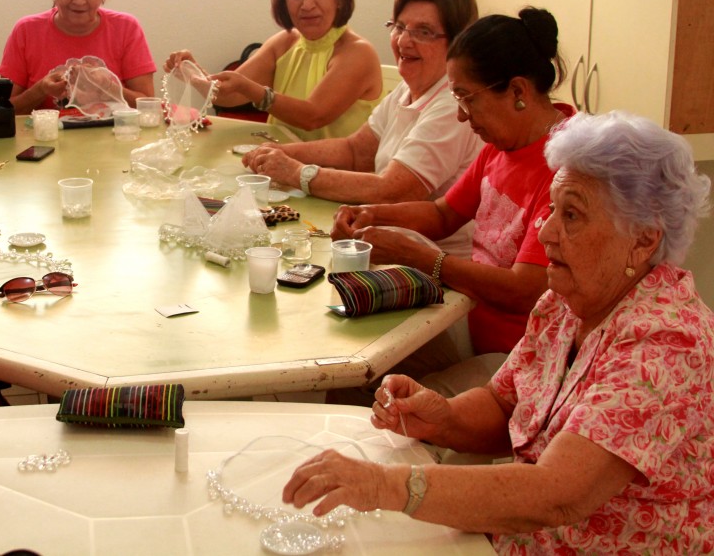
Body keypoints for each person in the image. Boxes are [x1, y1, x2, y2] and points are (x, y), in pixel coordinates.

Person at [283, 110, 714, 553]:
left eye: (573, 215)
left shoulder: (667, 341)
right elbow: (503, 402)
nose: (546, 232)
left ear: (644, 239)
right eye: (551, 208)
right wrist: (443, 418)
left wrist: (386, 486)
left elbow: (559, 494)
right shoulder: (565, 302)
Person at [333, 8, 574, 390]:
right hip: (472, 326)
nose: (462, 117)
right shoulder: (503, 145)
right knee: (355, 368)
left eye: (466, 98)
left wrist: (423, 259)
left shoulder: (566, 167)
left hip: (525, 355)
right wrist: (369, 214)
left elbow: (523, 290)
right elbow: (444, 213)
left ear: (517, 91)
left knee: (394, 408)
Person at [242, 0, 483, 256]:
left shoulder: (451, 105)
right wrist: (279, 153)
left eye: (424, 32)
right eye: (400, 27)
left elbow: (392, 191)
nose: (404, 41)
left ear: (457, 43)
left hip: (434, 260)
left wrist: (297, 172)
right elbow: (356, 150)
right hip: (391, 243)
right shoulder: (410, 89)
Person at [165, 0, 382, 142]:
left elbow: (312, 117)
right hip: (282, 162)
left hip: (338, 175)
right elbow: (227, 95)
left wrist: (256, 92)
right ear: (284, 2)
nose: (307, 5)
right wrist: (192, 72)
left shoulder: (357, 52)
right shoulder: (285, 42)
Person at [0, 0, 156, 114]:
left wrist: (107, 86)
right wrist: (41, 89)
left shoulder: (126, 28)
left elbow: (148, 106)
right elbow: (3, 111)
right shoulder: (26, 31)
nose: (79, 0)